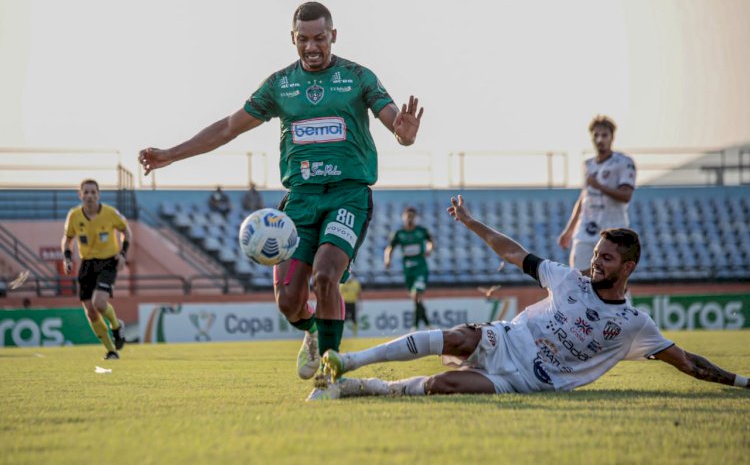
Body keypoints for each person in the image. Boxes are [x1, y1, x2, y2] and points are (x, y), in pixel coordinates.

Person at [138, 2, 424, 400]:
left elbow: (394, 119)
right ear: (293, 39)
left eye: (319, 38)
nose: (311, 47)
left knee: (326, 276)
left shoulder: (358, 77)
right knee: (289, 302)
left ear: (333, 37)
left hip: (348, 195)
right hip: (301, 201)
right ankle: (310, 331)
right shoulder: (279, 86)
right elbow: (227, 128)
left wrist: (403, 133)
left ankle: (330, 377)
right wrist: (171, 154)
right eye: (303, 39)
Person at [318, 195, 750, 398]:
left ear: (628, 268)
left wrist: (742, 382)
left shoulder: (634, 324)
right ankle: (348, 361)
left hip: (525, 382)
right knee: (458, 337)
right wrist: (470, 222)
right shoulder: (567, 279)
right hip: (505, 338)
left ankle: (364, 388)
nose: (597, 264)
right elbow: (513, 252)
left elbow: (687, 362)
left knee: (444, 384)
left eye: (607, 260)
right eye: (597, 255)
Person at [558, 116, 636, 275]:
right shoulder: (588, 164)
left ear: (612, 137)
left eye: (604, 135)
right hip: (586, 229)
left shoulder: (624, 162)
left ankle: (623, 300)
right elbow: (584, 197)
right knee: (579, 277)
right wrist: (569, 230)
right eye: (596, 135)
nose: (599, 139)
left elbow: (626, 195)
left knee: (612, 279)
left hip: (614, 229)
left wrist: (600, 186)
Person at [61, 179, 130, 359]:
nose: (90, 196)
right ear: (80, 194)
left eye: (93, 192)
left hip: (107, 262)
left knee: (99, 303)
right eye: (86, 192)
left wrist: (123, 253)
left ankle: (116, 326)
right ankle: (111, 351)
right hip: (87, 264)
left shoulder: (109, 213)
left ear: (99, 194)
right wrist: (67, 259)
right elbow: (67, 239)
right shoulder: (74, 215)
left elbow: (126, 231)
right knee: (90, 311)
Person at [384, 206, 434, 330]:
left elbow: (430, 241)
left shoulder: (421, 231)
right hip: (408, 270)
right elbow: (390, 248)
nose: (410, 219)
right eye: (408, 216)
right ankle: (428, 324)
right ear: (403, 217)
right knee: (416, 298)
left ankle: (415, 326)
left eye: (412, 216)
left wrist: (429, 249)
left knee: (417, 294)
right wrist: (387, 259)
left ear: (415, 218)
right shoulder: (399, 233)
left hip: (421, 268)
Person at [339, 272, 362, 336]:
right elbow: (339, 294)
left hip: (353, 303)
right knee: (342, 319)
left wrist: (360, 303)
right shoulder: (342, 284)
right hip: (345, 303)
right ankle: (341, 334)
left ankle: (355, 335)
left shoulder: (356, 283)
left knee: (354, 319)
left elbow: (358, 293)